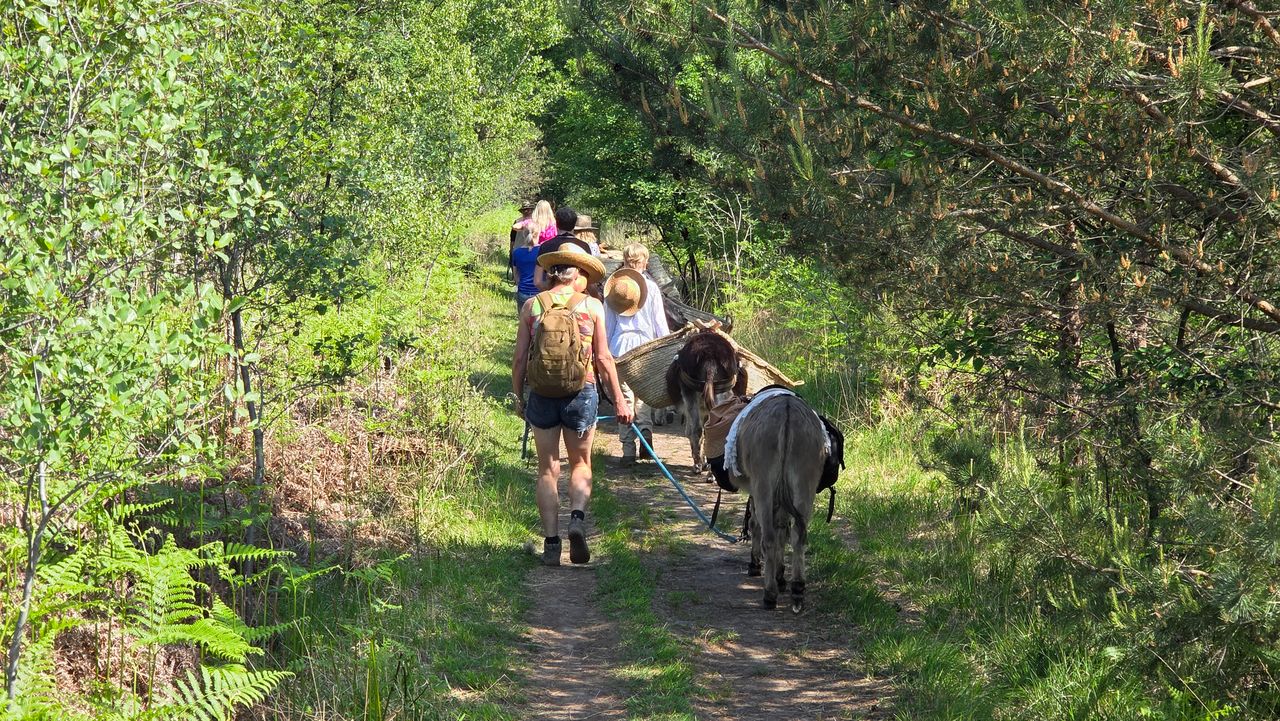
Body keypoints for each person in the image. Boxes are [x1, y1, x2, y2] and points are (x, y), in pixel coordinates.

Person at [512, 243, 633, 567]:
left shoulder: (533, 306)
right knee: (580, 463)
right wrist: (619, 400)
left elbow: (520, 358)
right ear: (577, 273)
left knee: (547, 469)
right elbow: (603, 358)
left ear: (552, 273)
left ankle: (552, 544)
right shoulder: (592, 307)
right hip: (582, 391)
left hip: (542, 394)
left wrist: (518, 397)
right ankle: (577, 518)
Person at [604, 243, 670, 464]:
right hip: (645, 347)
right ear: (645, 263)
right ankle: (645, 432)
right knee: (643, 397)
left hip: (619, 347)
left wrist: (603, 352)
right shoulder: (651, 288)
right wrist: (665, 348)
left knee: (624, 398)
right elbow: (660, 323)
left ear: (624, 261)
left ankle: (628, 449)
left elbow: (608, 325)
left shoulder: (614, 288)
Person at [510, 221, 541, 313]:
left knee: (523, 320)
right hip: (539, 293)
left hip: (523, 291)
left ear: (523, 234)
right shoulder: (542, 251)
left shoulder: (516, 252)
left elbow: (516, 275)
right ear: (538, 234)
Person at [508, 201, 535, 278]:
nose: (527, 211)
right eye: (525, 210)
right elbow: (512, 238)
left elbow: (512, 238)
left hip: (525, 249)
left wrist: (511, 250)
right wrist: (511, 250)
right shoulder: (534, 222)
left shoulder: (518, 222)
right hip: (525, 248)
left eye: (528, 209)